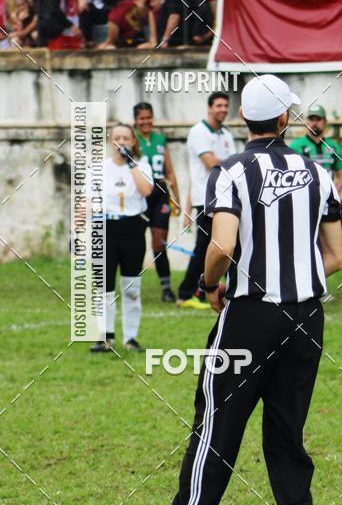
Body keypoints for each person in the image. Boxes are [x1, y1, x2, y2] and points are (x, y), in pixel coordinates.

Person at [123, 74, 342, 505]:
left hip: (250, 315)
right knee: (286, 433)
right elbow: (335, 256)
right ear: (286, 118)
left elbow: (221, 246)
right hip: (306, 316)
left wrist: (209, 284)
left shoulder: (232, 171)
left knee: (216, 427)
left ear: (245, 117)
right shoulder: (318, 171)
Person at [90, 123, 154, 353]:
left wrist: (131, 163)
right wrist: (76, 229)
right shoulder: (99, 168)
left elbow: (147, 190)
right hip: (105, 228)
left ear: (133, 142)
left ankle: (131, 338)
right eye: (117, 138)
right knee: (104, 287)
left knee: (131, 286)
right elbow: (88, 201)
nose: (121, 142)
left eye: (126, 138)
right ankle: (105, 337)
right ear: (110, 141)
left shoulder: (142, 165)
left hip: (132, 229)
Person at [177, 92, 236, 309]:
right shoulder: (198, 132)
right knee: (204, 247)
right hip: (207, 200)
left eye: (225, 105)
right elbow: (211, 163)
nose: (222, 109)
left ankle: (209, 290)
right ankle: (186, 293)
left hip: (226, 198)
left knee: (225, 246)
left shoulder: (226, 134)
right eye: (218, 105)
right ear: (209, 108)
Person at [133, 102, 181, 303]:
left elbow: (169, 171)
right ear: (135, 120)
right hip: (139, 193)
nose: (146, 121)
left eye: (149, 117)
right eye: (142, 118)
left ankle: (166, 288)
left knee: (159, 243)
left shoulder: (161, 140)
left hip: (160, 192)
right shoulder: (131, 139)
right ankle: (132, 287)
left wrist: (176, 198)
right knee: (135, 244)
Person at [290, 104, 342, 193]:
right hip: (305, 199)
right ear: (307, 122)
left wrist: (332, 196)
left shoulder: (333, 146)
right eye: (311, 119)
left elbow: (341, 176)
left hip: (327, 200)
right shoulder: (295, 146)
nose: (314, 123)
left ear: (325, 121)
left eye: (318, 119)